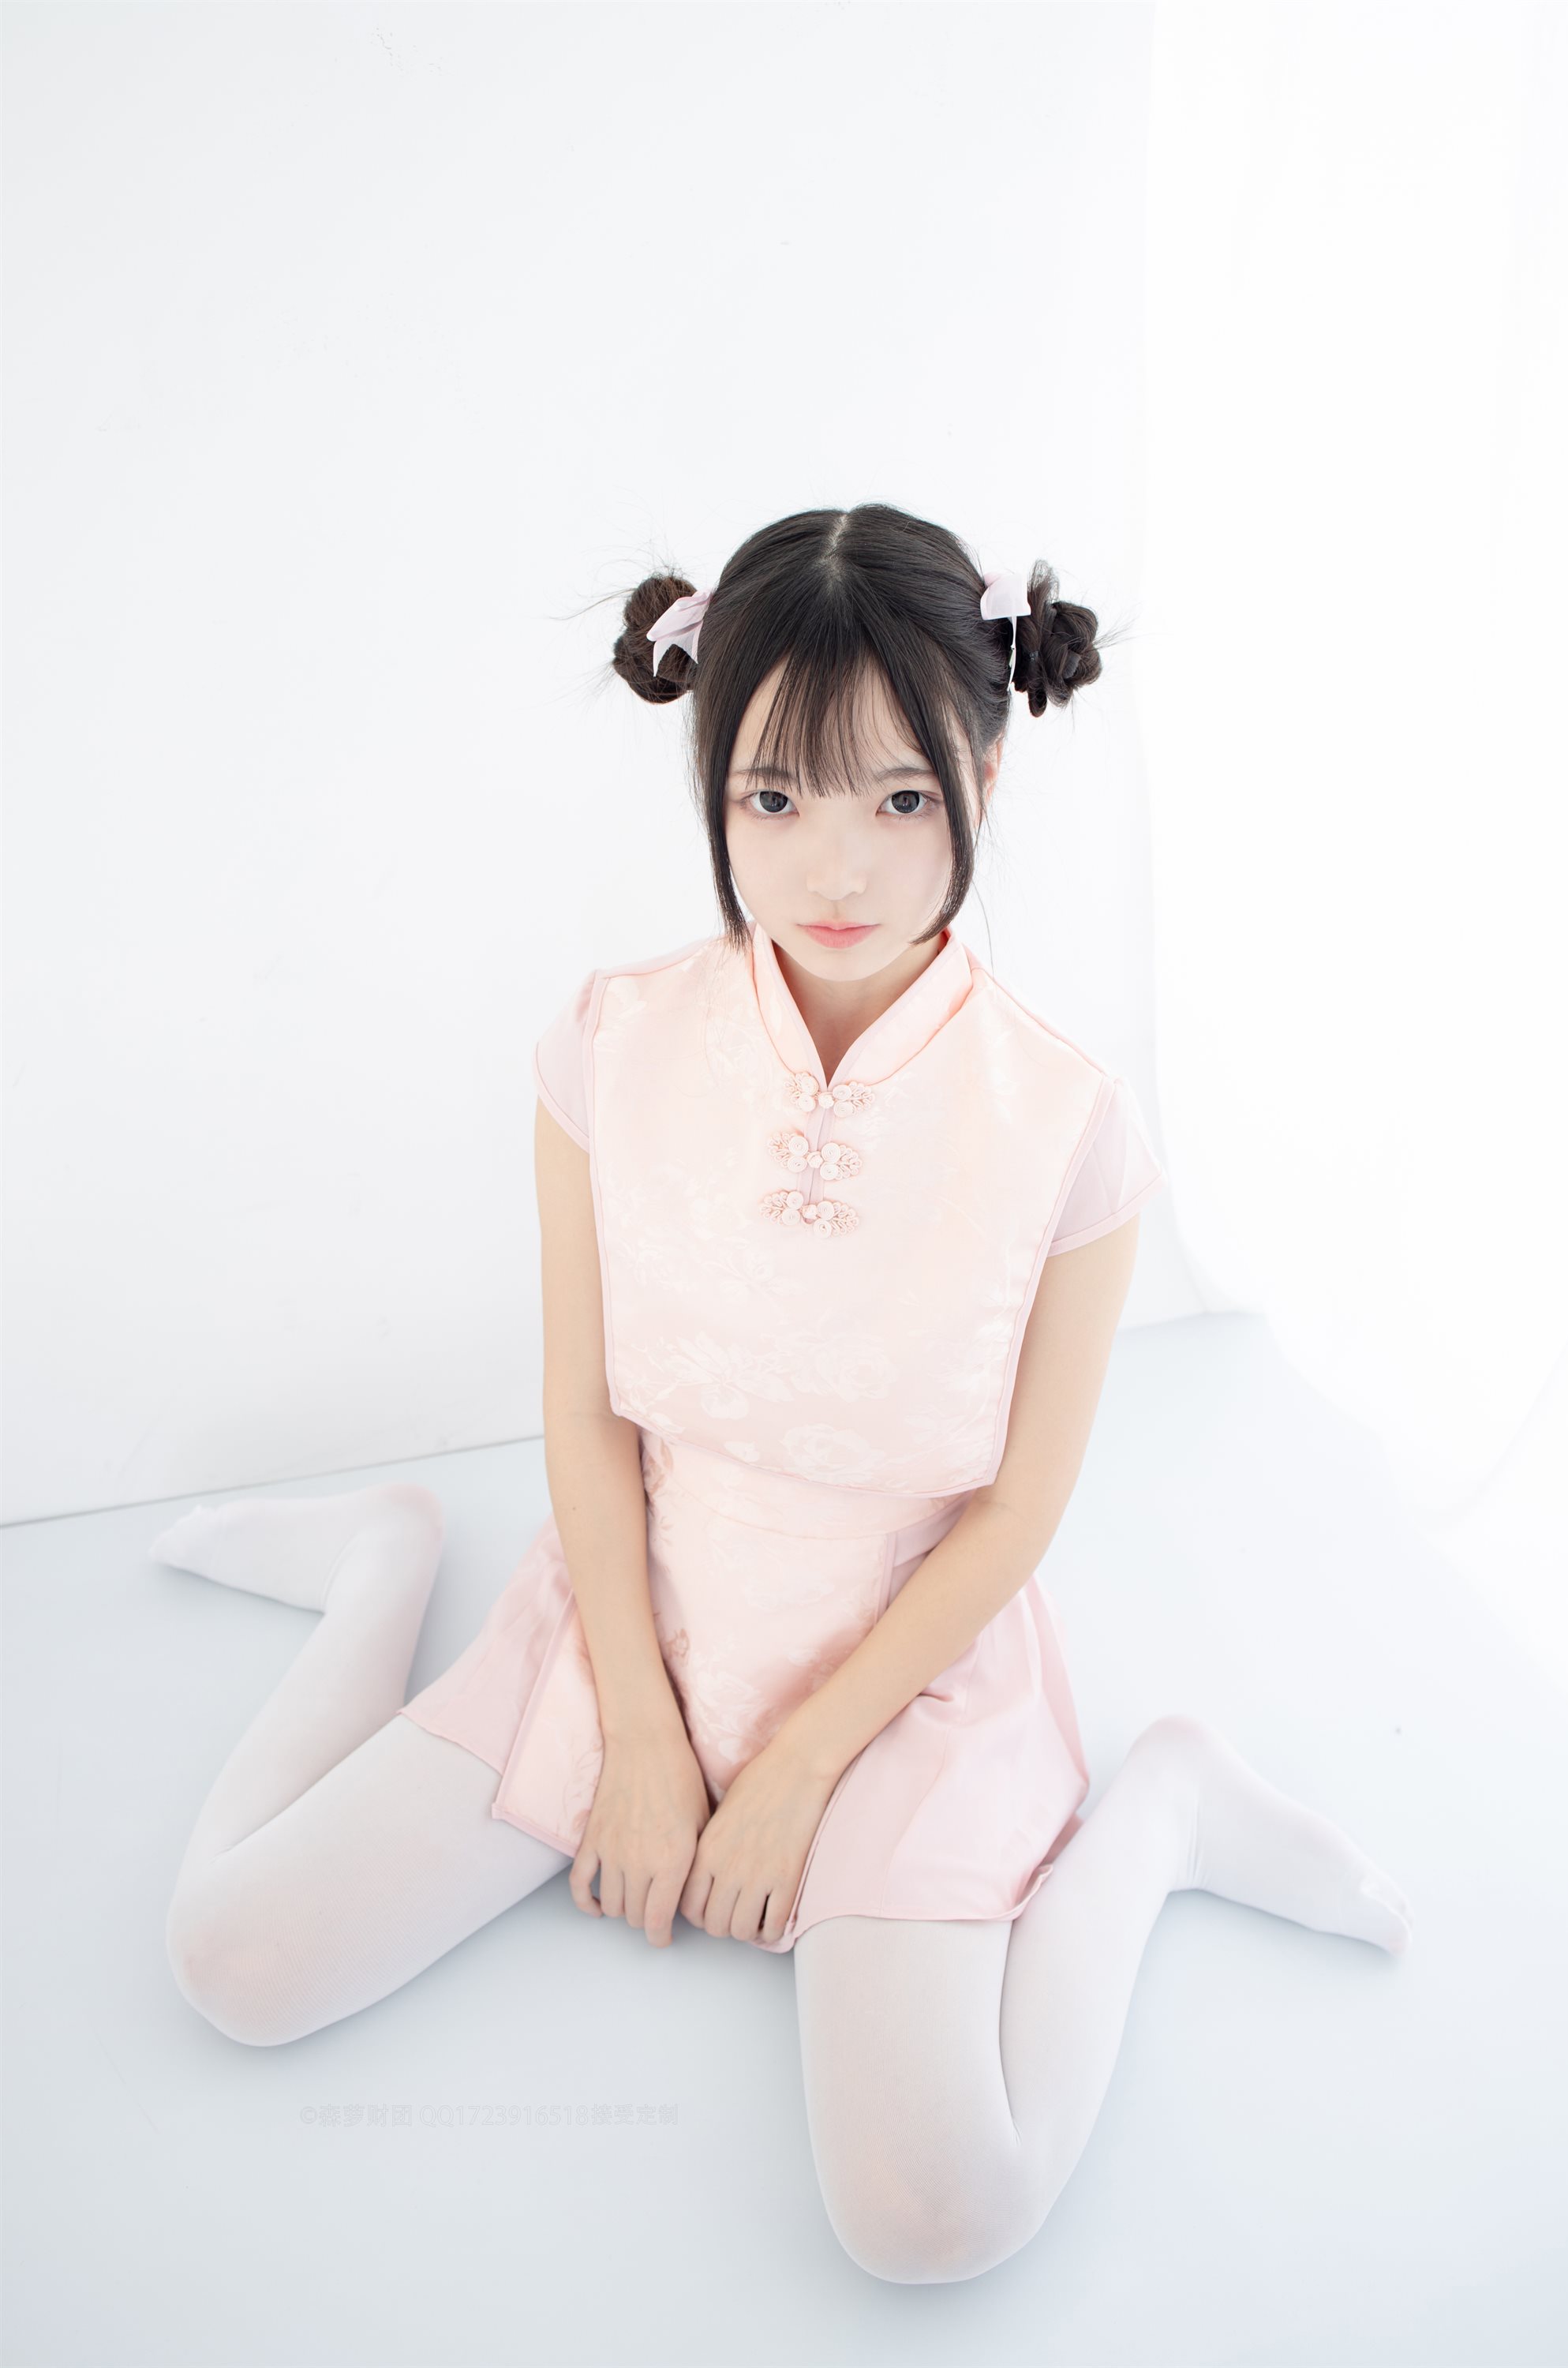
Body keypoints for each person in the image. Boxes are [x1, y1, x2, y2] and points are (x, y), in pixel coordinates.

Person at [152, 501, 1413, 2285]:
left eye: (900, 798)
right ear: (712, 786)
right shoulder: (609, 1041)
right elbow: (587, 1411)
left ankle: (1167, 1815)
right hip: (637, 1618)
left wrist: (803, 1763)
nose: (839, 866)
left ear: (986, 771)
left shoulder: (1066, 1126)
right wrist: (644, 1736)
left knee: (933, 2218)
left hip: (905, 1678)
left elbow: (1017, 1514)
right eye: (774, 796)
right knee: (234, 1963)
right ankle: (383, 1562)